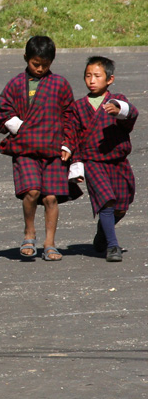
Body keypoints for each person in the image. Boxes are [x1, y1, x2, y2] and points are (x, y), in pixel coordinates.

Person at [0, 36, 75, 261]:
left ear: (52, 61)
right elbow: (4, 110)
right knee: (32, 192)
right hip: (25, 148)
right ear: (26, 59)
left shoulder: (60, 84)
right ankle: (29, 232)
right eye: (35, 64)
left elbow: (70, 116)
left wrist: (68, 143)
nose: (40, 69)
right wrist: (21, 128)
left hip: (53, 149)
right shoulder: (14, 84)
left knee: (50, 197)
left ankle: (49, 242)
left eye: (45, 65)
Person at [64, 56, 138, 262]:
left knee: (121, 205)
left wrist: (120, 110)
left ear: (109, 79)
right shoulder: (78, 107)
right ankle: (113, 246)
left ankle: (103, 233)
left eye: (97, 76)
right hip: (93, 162)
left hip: (118, 162)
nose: (92, 80)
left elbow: (132, 113)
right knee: (106, 202)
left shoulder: (117, 101)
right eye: (88, 76)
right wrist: (76, 166)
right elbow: (73, 136)